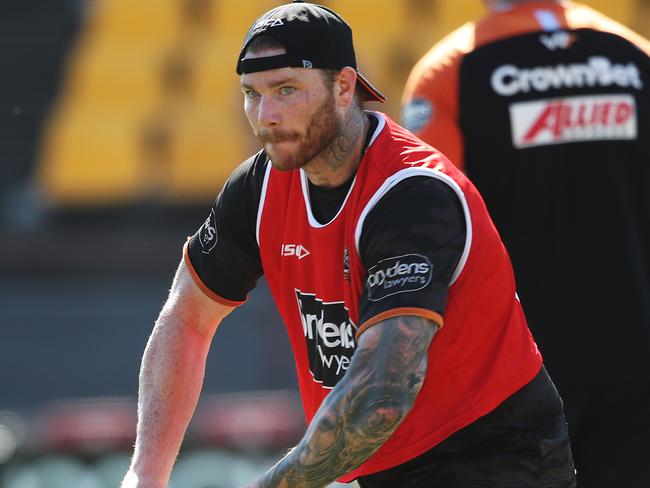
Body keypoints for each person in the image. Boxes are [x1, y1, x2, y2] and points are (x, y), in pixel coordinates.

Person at [121, 2, 576, 487]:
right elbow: (187, 318)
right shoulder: (259, 187)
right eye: (251, 94)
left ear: (343, 87)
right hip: (378, 467)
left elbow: (380, 398)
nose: (266, 116)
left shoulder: (413, 193)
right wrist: (144, 476)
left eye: (286, 90)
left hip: (494, 457)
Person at [401, 1, 650, 486]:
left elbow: (422, 230)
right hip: (637, 358)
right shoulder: (636, 56)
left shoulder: (446, 73)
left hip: (515, 371)